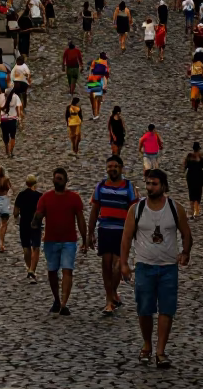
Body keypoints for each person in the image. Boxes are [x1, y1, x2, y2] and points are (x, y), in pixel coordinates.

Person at [120, 169, 192, 368]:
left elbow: (186, 233)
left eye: (154, 184)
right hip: (144, 266)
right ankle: (146, 344)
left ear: (164, 186)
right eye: (148, 183)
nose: (150, 188)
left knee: (166, 310)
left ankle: (160, 351)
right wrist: (124, 263)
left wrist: (185, 252)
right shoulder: (137, 209)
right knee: (144, 309)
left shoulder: (175, 209)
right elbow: (126, 237)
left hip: (169, 267)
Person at [31, 168, 88, 315]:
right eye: (56, 178)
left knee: (67, 270)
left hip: (69, 241)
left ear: (66, 181)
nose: (58, 181)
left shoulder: (74, 198)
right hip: (51, 241)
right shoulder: (45, 198)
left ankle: (64, 303)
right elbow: (38, 216)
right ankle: (57, 299)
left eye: (60, 179)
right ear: (53, 180)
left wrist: (85, 238)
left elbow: (80, 219)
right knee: (52, 272)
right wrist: (34, 224)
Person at [89, 156, 139, 314]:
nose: (112, 169)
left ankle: (112, 293)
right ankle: (109, 299)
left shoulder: (129, 187)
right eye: (109, 166)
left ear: (121, 168)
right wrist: (90, 233)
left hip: (122, 231)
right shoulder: (101, 186)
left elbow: (134, 210)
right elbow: (95, 210)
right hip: (105, 229)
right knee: (106, 264)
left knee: (118, 265)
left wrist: (135, 232)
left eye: (115, 166)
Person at [14, 175, 42, 282]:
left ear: (26, 184)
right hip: (36, 224)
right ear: (36, 184)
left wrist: (17, 217)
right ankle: (32, 270)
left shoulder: (21, 195)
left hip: (24, 224)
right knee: (36, 247)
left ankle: (29, 268)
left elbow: (16, 212)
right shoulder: (39, 196)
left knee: (26, 247)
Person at [182, 143, 203, 219]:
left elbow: (184, 167)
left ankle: (192, 211)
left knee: (191, 193)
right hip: (199, 176)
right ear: (199, 149)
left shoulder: (189, 157)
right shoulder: (201, 157)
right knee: (198, 194)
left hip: (190, 177)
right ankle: (196, 212)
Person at [0, 85, 22, 158]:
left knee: (5, 135)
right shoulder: (16, 97)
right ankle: (11, 151)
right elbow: (18, 108)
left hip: (3, 119)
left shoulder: (1, 96)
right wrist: (19, 119)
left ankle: (7, 149)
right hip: (12, 119)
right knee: (13, 136)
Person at [87, 52, 109, 119]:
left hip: (93, 79)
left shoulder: (94, 62)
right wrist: (105, 85)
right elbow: (106, 76)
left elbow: (90, 71)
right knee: (97, 99)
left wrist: (89, 79)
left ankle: (95, 114)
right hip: (100, 80)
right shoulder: (105, 64)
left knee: (92, 99)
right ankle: (97, 114)